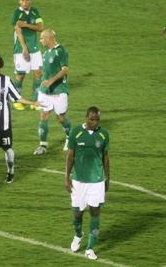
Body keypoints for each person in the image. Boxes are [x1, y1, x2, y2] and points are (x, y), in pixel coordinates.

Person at [0, 55, 41, 188]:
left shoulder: (6, 81)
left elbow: (17, 98)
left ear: (0, 67)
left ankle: (11, 172)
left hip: (3, 124)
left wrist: (32, 102)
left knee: (7, 148)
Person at [65, 106, 110, 260]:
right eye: (92, 119)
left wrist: (107, 178)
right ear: (86, 118)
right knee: (77, 213)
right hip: (78, 181)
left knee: (95, 212)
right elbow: (70, 156)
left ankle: (90, 248)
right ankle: (78, 235)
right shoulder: (75, 132)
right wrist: (66, 178)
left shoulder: (104, 134)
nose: (95, 122)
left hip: (96, 181)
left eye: (97, 119)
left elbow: (105, 157)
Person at [33, 29, 71, 155]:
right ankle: (42, 145)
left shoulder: (60, 51)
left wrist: (51, 81)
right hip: (45, 91)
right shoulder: (46, 53)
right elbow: (47, 71)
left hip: (59, 90)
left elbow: (65, 70)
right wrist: (41, 78)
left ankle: (69, 137)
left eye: (42, 38)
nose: (40, 40)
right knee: (44, 115)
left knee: (60, 117)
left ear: (49, 38)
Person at [11, 0, 44, 111]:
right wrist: (24, 48)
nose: (25, 2)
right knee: (20, 75)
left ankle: (35, 101)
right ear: (19, 1)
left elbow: (40, 28)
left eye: (27, 0)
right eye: (22, 0)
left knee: (38, 74)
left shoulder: (35, 11)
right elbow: (18, 32)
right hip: (21, 49)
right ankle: (16, 100)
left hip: (35, 48)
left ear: (31, 0)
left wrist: (25, 25)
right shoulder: (16, 14)